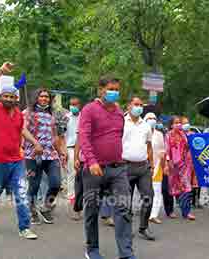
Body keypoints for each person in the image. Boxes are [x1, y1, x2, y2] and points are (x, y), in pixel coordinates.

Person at [0, 62, 43, 240]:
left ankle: (24, 227)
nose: (9, 99)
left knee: (22, 193)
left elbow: (22, 130)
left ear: (16, 99)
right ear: (0, 97)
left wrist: (35, 142)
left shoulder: (18, 115)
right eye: (5, 96)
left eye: (12, 96)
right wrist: (1, 71)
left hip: (16, 161)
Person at [78, 75, 136, 259]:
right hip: (94, 169)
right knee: (92, 210)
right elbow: (84, 137)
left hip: (118, 168)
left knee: (123, 209)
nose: (114, 92)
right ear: (101, 90)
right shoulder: (89, 110)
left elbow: (117, 137)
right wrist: (92, 161)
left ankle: (126, 253)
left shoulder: (119, 113)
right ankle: (92, 250)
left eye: (117, 89)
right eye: (111, 89)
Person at [23, 88, 66, 225]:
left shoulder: (52, 114)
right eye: (41, 96)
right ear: (36, 98)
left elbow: (54, 136)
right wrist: (35, 143)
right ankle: (32, 211)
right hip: (33, 154)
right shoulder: (27, 113)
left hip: (51, 154)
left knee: (56, 183)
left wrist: (61, 151)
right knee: (34, 186)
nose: (44, 99)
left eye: (47, 97)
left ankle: (45, 207)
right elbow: (22, 130)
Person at [122, 97, 155, 241]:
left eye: (141, 105)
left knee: (149, 197)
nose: (139, 107)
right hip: (125, 167)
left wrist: (152, 163)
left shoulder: (146, 126)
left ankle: (143, 227)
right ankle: (126, 229)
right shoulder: (121, 122)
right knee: (125, 201)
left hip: (143, 167)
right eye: (136, 104)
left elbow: (149, 146)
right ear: (129, 106)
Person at [165, 116, 195, 221]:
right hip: (174, 166)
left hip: (185, 165)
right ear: (171, 125)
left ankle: (186, 212)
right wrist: (168, 162)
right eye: (176, 123)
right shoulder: (168, 135)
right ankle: (174, 209)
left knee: (187, 187)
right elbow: (167, 149)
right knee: (175, 188)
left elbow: (189, 146)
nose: (179, 125)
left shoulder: (184, 134)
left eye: (179, 123)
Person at [65, 97, 83, 220]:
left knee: (81, 174)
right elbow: (62, 133)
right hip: (70, 148)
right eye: (71, 104)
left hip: (82, 148)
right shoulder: (66, 117)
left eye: (75, 104)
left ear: (79, 105)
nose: (73, 106)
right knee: (72, 173)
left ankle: (80, 196)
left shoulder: (84, 117)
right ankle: (71, 195)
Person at [145, 113, 165, 225]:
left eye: (154, 118)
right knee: (144, 191)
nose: (152, 120)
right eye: (149, 118)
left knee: (157, 191)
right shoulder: (141, 133)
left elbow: (162, 151)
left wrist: (163, 165)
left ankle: (153, 215)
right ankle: (145, 210)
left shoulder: (159, 135)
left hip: (157, 167)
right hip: (143, 166)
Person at [181, 116, 201, 209]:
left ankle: (196, 201)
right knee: (185, 183)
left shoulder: (193, 135)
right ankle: (185, 201)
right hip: (183, 163)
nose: (186, 125)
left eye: (187, 122)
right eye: (184, 123)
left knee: (196, 182)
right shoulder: (178, 136)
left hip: (194, 162)